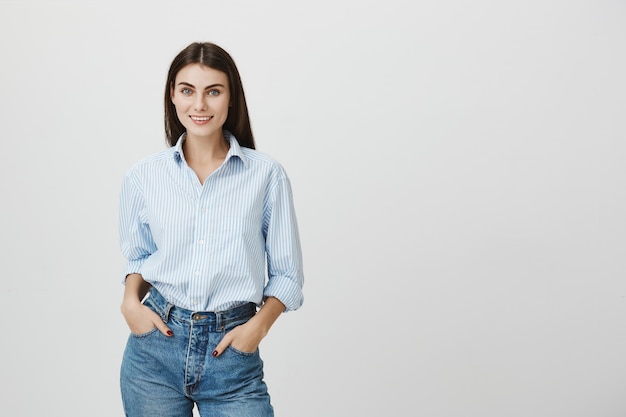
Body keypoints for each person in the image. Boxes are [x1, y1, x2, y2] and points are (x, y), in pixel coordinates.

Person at [118, 42, 304, 417]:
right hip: (153, 353)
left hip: (232, 355)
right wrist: (129, 303)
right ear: (173, 95)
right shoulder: (143, 177)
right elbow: (139, 257)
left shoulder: (266, 176)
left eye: (213, 92)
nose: (199, 105)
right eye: (187, 91)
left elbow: (288, 275)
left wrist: (256, 330)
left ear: (231, 98)